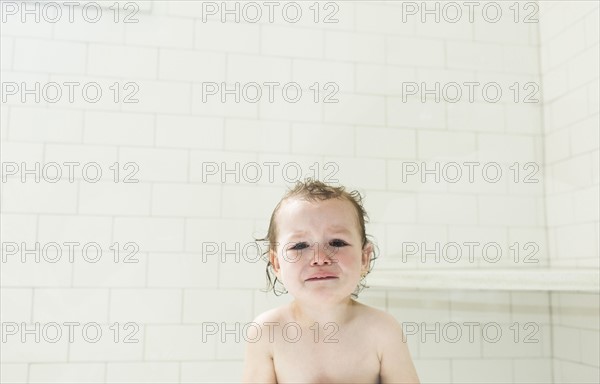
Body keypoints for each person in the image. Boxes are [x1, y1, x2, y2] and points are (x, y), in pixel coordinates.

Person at [242, 178, 420, 383]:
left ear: (364, 258)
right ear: (277, 264)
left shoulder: (383, 330)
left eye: (337, 242)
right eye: (300, 245)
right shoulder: (267, 331)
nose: (319, 258)